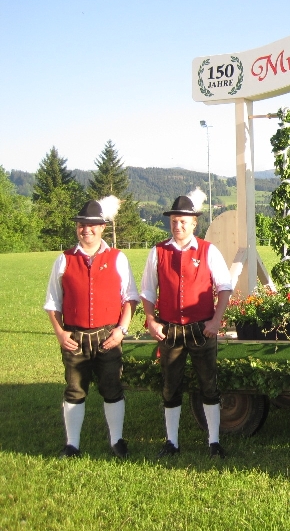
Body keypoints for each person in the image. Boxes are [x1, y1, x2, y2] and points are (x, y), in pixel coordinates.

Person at [44, 197, 139, 459]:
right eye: (81, 225)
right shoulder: (64, 260)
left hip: (108, 335)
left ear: (102, 227)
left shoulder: (118, 258)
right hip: (74, 336)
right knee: (75, 389)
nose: (86, 229)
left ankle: (117, 441)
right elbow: (52, 303)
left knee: (112, 388)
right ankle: (72, 444)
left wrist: (121, 330)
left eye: (92, 225)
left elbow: (130, 298)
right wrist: (60, 333)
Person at [140, 191, 232, 458]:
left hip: (202, 329)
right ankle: (172, 442)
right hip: (169, 330)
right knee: (170, 386)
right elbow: (148, 291)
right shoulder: (158, 251)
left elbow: (224, 287)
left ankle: (214, 442)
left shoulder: (207, 250)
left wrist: (216, 320)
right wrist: (151, 320)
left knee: (209, 385)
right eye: (174, 221)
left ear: (194, 223)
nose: (177, 226)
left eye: (183, 221)